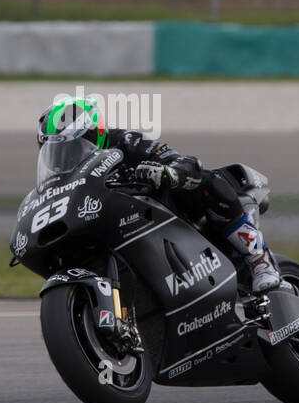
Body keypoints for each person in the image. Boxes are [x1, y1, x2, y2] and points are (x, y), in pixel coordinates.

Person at [36, 96, 281, 293]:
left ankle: (258, 258)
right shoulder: (65, 180)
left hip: (167, 214)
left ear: (95, 132)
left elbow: (180, 161)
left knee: (205, 179)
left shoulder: (125, 141)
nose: (66, 156)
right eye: (56, 151)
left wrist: (165, 173)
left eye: (75, 146)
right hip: (120, 228)